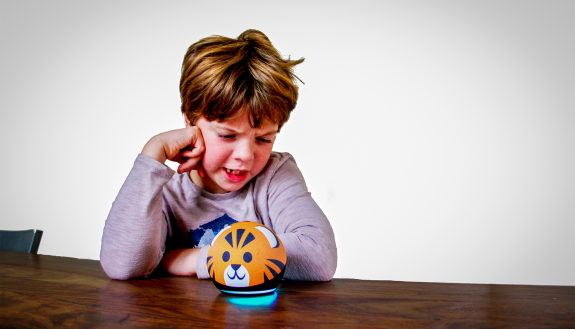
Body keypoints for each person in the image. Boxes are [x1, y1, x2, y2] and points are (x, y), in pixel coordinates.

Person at [100, 29, 337, 282]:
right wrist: (152, 153)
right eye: (227, 135)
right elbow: (122, 266)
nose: (246, 155)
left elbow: (318, 254)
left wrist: (198, 259)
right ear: (190, 121)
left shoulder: (275, 176)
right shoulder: (165, 192)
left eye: (264, 139)